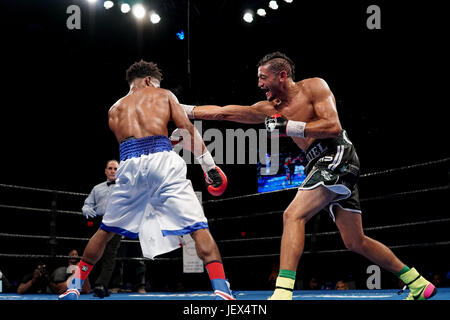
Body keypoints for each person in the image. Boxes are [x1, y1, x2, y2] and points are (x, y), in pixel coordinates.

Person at [178, 52, 437, 300]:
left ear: (282, 75)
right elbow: (223, 112)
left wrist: (289, 126)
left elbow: (333, 126)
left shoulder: (314, 86)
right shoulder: (269, 108)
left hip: (336, 153)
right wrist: (181, 109)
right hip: (317, 161)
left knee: (293, 215)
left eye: (263, 78)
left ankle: (283, 292)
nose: (259, 84)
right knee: (355, 241)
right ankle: (418, 283)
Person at [59, 59, 234, 300]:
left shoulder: (113, 110)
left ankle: (74, 286)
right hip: (163, 163)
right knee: (197, 226)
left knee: (105, 230)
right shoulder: (163, 94)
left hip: (129, 166)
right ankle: (221, 290)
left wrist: (163, 141)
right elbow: (186, 129)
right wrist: (208, 165)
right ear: (150, 80)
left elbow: (136, 142)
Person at [82, 159, 123, 298]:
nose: (112, 171)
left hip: (116, 222)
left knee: (110, 253)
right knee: (93, 253)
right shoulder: (97, 188)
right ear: (105, 171)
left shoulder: (125, 187)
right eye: (110, 168)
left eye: (115, 169)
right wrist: (86, 208)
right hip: (98, 221)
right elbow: (88, 203)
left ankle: (101, 284)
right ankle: (91, 284)